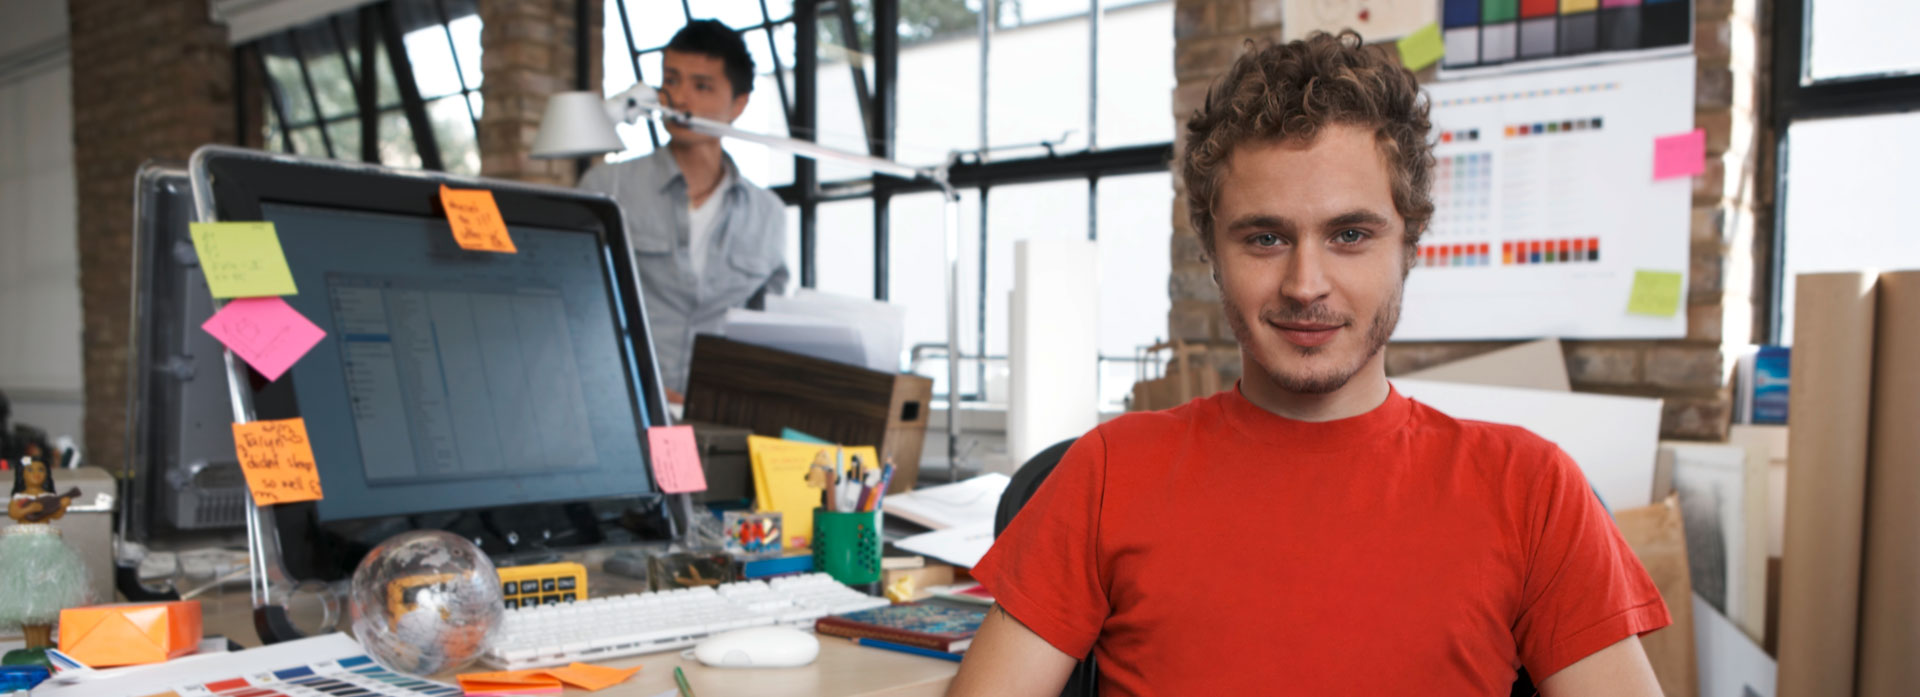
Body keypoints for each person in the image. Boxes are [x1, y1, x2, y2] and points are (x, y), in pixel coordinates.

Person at [948, 32, 1669, 696]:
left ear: (1409, 244)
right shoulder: (1108, 472)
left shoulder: (1532, 489)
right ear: (1212, 253)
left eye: (1350, 234)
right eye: (1265, 238)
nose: (1305, 285)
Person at [578, 19, 789, 400]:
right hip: (618, 401)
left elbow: (765, 338)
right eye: (671, 81)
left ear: (739, 104)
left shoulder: (768, 215)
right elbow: (578, 307)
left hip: (715, 413)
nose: (680, 99)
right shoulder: (607, 187)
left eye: (701, 86)